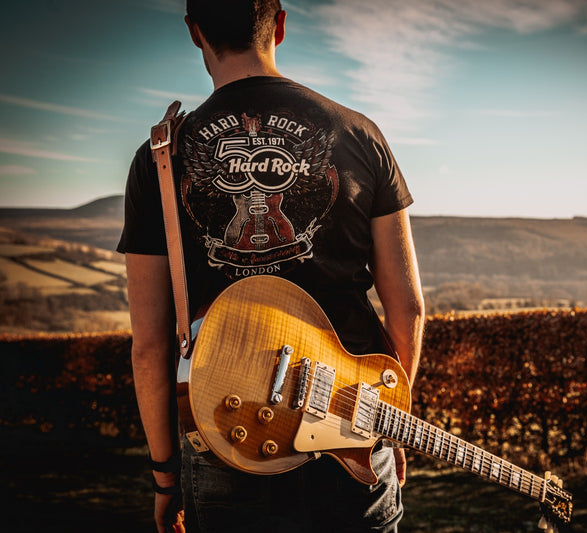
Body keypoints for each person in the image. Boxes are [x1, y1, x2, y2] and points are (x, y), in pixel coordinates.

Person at [117, 1, 425, 531]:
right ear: (279, 23)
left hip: (227, 436)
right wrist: (388, 426)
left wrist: (166, 477)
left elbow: (150, 347)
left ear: (195, 33)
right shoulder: (359, 133)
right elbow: (409, 309)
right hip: (348, 426)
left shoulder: (160, 158)